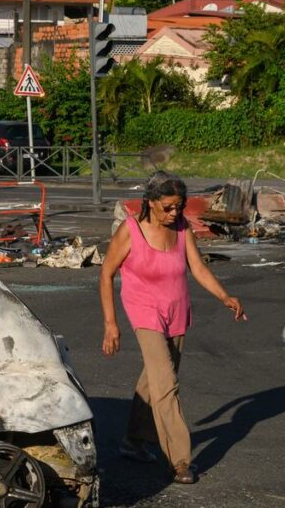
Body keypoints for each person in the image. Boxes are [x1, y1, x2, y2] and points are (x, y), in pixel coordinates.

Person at [99, 171, 247, 485]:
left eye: (178, 206)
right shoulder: (131, 230)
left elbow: (197, 268)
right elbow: (106, 273)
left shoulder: (182, 228)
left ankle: (134, 440)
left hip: (177, 311)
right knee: (167, 385)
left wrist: (224, 296)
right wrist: (111, 324)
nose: (174, 213)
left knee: (155, 380)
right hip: (144, 312)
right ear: (150, 203)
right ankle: (180, 460)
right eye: (167, 207)